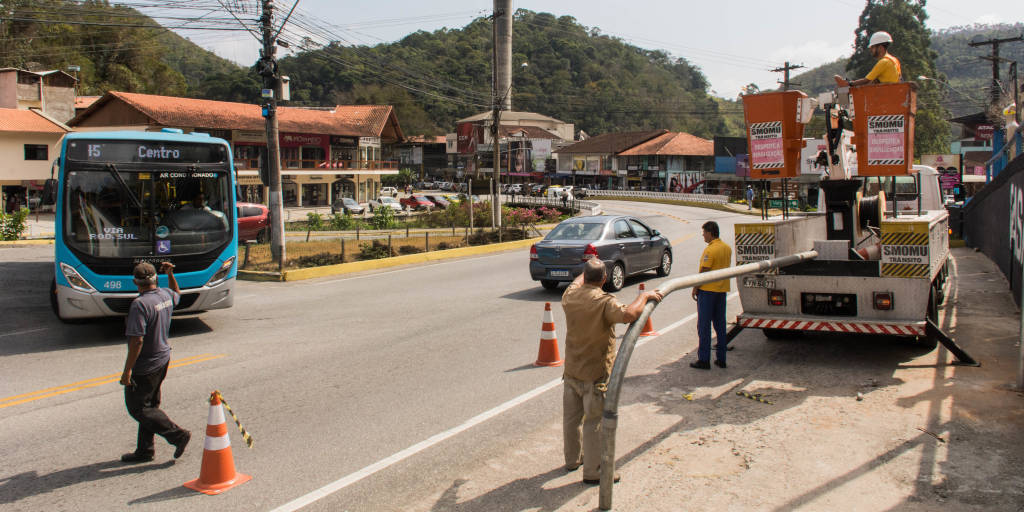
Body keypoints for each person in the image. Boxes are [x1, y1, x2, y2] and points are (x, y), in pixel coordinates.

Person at [561, 259, 663, 484]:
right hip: (594, 373)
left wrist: (587, 267)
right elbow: (628, 315)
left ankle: (572, 460)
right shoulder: (604, 302)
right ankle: (594, 471)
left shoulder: (569, 296)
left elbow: (578, 282)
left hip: (571, 371)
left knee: (571, 419)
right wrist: (644, 296)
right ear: (604, 279)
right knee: (594, 422)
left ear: (585, 277)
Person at [119, 261, 191, 463]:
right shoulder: (165, 295)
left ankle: (178, 435)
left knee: (139, 409)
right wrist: (170, 274)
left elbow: (137, 340)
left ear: (135, 281)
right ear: (155, 279)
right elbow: (177, 294)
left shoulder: (140, 304)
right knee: (150, 406)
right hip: (163, 359)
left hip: (146, 365)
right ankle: (145, 450)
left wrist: (127, 371)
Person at [691, 221, 732, 370]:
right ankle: (721, 358)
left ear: (710, 232)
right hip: (721, 291)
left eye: (704, 233)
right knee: (720, 326)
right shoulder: (727, 248)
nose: (703, 236)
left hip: (708, 291)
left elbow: (705, 271)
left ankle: (704, 359)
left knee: (704, 326)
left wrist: (696, 287)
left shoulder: (710, 250)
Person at [833, 31, 901, 87]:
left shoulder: (884, 62)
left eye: (873, 47)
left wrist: (849, 84)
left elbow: (867, 80)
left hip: (888, 94)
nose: (871, 50)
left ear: (880, 48)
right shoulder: (893, 60)